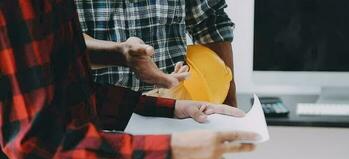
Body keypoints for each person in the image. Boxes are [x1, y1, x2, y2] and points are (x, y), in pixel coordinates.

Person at [0, 1, 256, 159]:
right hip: (66, 153)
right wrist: (170, 153)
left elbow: (70, 87)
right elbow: (36, 143)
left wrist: (174, 108)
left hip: (119, 114)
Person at [74, 0, 237, 107]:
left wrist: (227, 102)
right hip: (94, 108)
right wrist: (121, 54)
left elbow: (210, 22)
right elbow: (61, 38)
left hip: (174, 106)